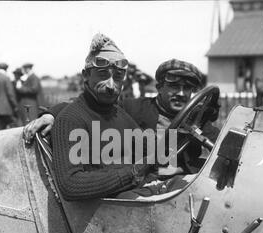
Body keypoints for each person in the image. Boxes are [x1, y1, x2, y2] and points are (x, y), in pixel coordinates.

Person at [24, 59, 220, 174]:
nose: (181, 93)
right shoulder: (134, 108)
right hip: (144, 187)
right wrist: (52, 114)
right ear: (159, 87)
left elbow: (220, 142)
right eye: (174, 86)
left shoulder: (197, 120)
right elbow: (84, 105)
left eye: (187, 88)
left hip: (184, 186)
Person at [49, 33, 155, 201]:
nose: (111, 86)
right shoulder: (71, 119)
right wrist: (132, 173)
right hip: (101, 215)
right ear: (86, 75)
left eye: (118, 77)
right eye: (103, 74)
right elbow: (70, 185)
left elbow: (150, 151)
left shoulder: (119, 113)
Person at [0, 63, 19, 130]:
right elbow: (10, 94)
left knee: (0, 129)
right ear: (6, 69)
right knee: (15, 128)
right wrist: (15, 106)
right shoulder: (6, 78)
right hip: (7, 109)